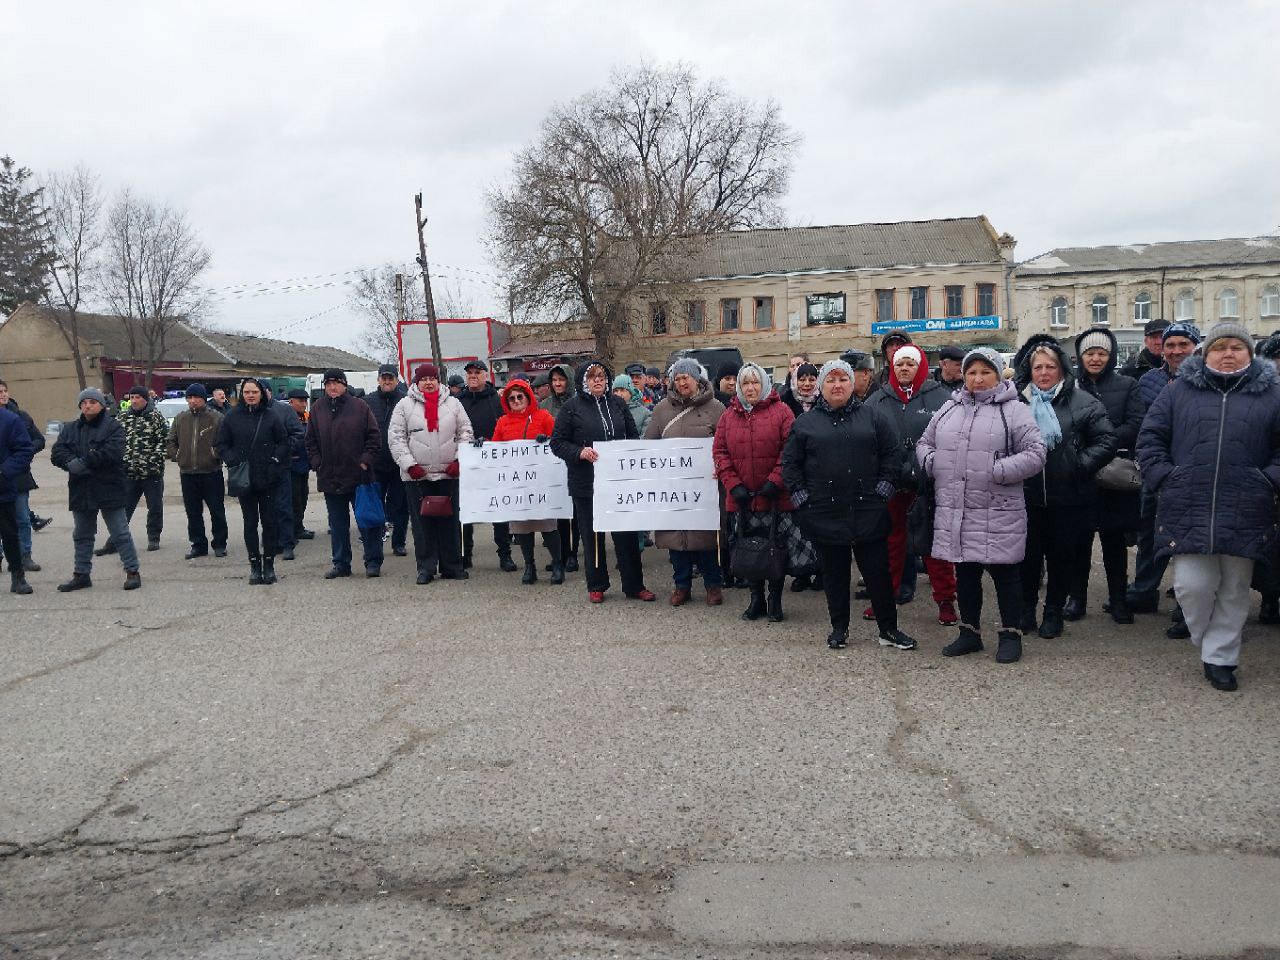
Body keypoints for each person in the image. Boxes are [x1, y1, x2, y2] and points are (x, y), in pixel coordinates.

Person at [1137, 322, 1280, 692]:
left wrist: (1268, 480)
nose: (1228, 353)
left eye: (1237, 347)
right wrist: (1166, 477)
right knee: (1191, 586)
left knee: (1235, 587)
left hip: (1247, 505)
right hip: (1188, 502)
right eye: (1221, 347)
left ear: (1250, 353)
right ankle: (1208, 638)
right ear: (1206, 353)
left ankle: (1221, 657)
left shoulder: (1271, 395)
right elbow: (1150, 437)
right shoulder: (1178, 391)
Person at [917, 348, 1047, 663]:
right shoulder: (949, 408)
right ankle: (969, 633)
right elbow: (924, 443)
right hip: (957, 509)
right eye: (972, 372)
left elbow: (1036, 452)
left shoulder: (1014, 410)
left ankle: (1010, 635)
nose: (977, 378)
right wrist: (934, 463)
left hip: (998, 508)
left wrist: (998, 471)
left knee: (1005, 576)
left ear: (998, 374)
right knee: (966, 574)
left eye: (985, 372)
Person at [782, 359, 916, 651]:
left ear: (852, 384)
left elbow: (892, 454)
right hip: (825, 511)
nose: (837, 385)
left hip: (868, 508)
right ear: (821, 386)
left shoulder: (873, 417)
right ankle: (839, 628)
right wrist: (802, 499)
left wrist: (885, 489)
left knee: (878, 574)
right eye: (830, 380)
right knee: (834, 574)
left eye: (843, 379)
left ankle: (888, 629)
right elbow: (790, 465)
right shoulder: (805, 423)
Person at [1010, 335, 1117, 639]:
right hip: (1026, 496)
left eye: (1051, 367)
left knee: (1061, 558)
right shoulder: (1016, 402)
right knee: (1027, 558)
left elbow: (1107, 440)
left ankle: (1053, 611)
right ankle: (1026, 609)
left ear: (1062, 369)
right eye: (1038, 367)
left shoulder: (1083, 402)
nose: (1044, 373)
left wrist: (1078, 464)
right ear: (1028, 371)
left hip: (1069, 496)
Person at [866, 343, 958, 625]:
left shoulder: (941, 398)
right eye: (899, 364)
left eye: (910, 364)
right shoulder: (877, 400)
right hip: (891, 484)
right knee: (889, 544)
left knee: (934, 545)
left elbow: (951, 439)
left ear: (920, 368)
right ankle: (885, 596)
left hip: (928, 484)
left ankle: (945, 601)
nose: (904, 368)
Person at [550, 359, 654, 604]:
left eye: (602, 376)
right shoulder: (572, 408)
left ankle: (634, 585)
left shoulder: (617, 404)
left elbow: (632, 436)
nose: (598, 380)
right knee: (591, 534)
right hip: (586, 483)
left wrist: (632, 456)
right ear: (583, 382)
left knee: (626, 534)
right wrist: (579, 453)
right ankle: (597, 584)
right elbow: (557, 442)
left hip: (618, 483)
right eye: (592, 377)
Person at [1070, 328, 1144, 623]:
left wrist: (1103, 442)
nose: (1096, 358)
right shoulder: (1070, 386)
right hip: (1082, 472)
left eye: (1101, 353)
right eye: (1090, 353)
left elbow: (1136, 422)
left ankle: (1118, 600)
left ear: (1110, 355)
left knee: (1114, 542)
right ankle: (1077, 599)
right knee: (1079, 541)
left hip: (1115, 473)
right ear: (1080, 357)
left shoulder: (1127, 384)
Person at [1127, 322, 1202, 613]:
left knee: (1188, 537)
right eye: (1170, 345)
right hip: (1155, 471)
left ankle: (1187, 603)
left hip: (1193, 472)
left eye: (1183, 344)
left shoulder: (1206, 382)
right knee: (1149, 533)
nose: (1176, 351)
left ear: (1195, 346)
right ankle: (1145, 590)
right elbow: (1145, 426)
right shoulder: (1148, 381)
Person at [713, 362, 796, 620]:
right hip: (742, 499)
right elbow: (720, 452)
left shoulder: (782, 412)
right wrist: (732, 484)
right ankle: (755, 597)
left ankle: (775, 599)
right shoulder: (728, 415)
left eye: (755, 382)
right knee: (748, 549)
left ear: (764, 384)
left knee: (775, 548)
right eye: (745, 383)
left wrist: (775, 481)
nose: (750, 388)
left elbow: (790, 450)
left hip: (774, 497)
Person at [644, 359, 726, 606]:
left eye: (686, 378)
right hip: (673, 488)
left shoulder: (716, 407)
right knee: (675, 540)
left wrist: (721, 467)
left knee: (706, 539)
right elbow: (649, 444)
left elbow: (724, 444)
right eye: (677, 378)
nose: (682, 382)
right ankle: (682, 585)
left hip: (704, 487)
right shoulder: (661, 410)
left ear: (696, 379)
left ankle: (713, 585)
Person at [49, 388, 142, 592]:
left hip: (109, 487)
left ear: (101, 405)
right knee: (82, 534)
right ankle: (81, 574)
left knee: (120, 533)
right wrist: (69, 461)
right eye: (83, 402)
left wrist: (85, 462)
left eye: (92, 401)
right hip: (81, 489)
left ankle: (132, 571)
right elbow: (57, 451)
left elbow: (113, 452)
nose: (87, 405)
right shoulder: (70, 428)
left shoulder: (113, 427)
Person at [388, 363, 473, 584]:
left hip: (448, 474)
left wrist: (459, 460)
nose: (428, 382)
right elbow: (396, 437)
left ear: (438, 380)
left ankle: (452, 566)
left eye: (432, 378)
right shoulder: (404, 405)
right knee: (422, 526)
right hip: (417, 477)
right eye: (424, 379)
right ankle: (426, 568)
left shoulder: (453, 404)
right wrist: (409, 465)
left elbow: (465, 432)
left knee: (450, 523)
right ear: (417, 382)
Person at [305, 369, 383, 579]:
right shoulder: (318, 408)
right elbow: (310, 440)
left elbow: (374, 438)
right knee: (337, 525)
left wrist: (365, 461)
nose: (333, 387)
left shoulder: (360, 407)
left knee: (367, 521)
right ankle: (341, 563)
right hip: (330, 477)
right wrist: (316, 462)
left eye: (337, 383)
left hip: (359, 476)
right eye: (329, 383)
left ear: (345, 385)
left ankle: (373, 561)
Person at [490, 378, 564, 584]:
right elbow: (495, 448)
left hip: (541, 482)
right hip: (517, 484)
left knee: (548, 525)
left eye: (519, 396)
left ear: (528, 396)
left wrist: (546, 440)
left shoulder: (543, 417)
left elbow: (558, 441)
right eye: (511, 398)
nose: (516, 400)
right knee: (522, 527)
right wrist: (481, 447)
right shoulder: (502, 422)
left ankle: (557, 563)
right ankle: (529, 565)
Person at [217, 379, 288, 585]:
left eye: (254, 391)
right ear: (242, 394)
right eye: (247, 392)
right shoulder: (231, 416)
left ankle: (269, 565)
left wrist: (275, 461)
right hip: (244, 478)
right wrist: (232, 460)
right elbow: (221, 443)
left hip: (268, 478)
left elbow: (284, 442)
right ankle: (254, 565)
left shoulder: (271, 416)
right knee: (250, 523)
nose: (250, 395)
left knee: (269, 523)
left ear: (261, 393)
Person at [458, 359, 516, 572]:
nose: (473, 376)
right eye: (469, 373)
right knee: (465, 511)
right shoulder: (458, 400)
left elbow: (508, 426)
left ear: (485, 375)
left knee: (499, 510)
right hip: (467, 462)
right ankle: (465, 554)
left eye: (477, 372)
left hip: (494, 462)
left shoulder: (497, 399)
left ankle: (505, 554)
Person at [95, 385, 167, 556]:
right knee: (122, 509)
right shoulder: (123, 417)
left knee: (155, 507)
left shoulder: (155, 417)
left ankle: (153, 537)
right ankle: (114, 542)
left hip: (151, 473)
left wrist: (153, 462)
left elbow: (164, 442)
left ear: (145, 399)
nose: (133, 401)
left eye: (137, 397)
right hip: (128, 472)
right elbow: (114, 440)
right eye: (131, 398)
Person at [167, 383, 228, 560]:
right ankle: (198, 544)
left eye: (197, 398)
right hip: (187, 473)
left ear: (204, 399)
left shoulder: (216, 418)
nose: (193, 401)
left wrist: (215, 454)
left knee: (217, 511)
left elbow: (224, 442)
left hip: (211, 472)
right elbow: (171, 441)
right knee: (193, 512)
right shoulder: (181, 419)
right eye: (190, 398)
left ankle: (220, 543)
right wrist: (177, 455)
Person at [0, 379, 44, 574]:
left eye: (4, 391)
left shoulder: (19, 416)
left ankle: (24, 555)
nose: (2, 394)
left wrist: (22, 454)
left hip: (18, 474)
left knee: (22, 518)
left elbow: (38, 440)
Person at [366, 364, 410, 558]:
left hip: (399, 463)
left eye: (390, 378)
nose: (386, 381)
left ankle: (398, 542)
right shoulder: (367, 402)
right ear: (378, 380)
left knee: (400, 506)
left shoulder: (406, 401)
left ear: (396, 380)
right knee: (375, 507)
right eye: (383, 378)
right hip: (375, 464)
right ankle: (375, 543)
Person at [539, 362, 579, 571]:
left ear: (569, 380)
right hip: (552, 463)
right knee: (559, 512)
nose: (557, 383)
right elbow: (538, 425)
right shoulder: (545, 405)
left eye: (561, 379)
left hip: (572, 460)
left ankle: (573, 553)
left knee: (574, 513)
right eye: (554, 380)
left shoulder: (578, 402)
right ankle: (561, 554)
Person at [0, 400, 35, 594]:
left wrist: (3, 472)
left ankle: (17, 576)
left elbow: (24, 450)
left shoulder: (10, 420)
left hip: (2, 489)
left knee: (10, 535)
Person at [285, 389, 315, 542]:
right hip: (290, 466)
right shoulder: (285, 417)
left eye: (305, 401)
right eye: (300, 401)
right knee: (293, 500)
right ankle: (291, 530)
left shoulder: (306, 417)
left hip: (304, 465)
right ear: (291, 402)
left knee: (302, 498)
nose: (304, 403)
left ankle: (298, 527)